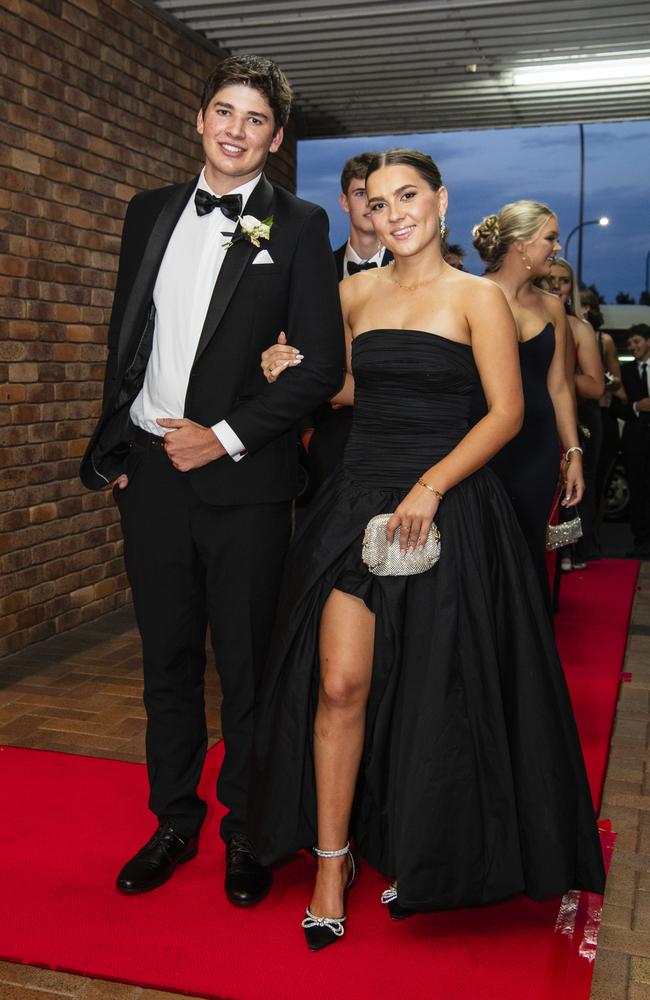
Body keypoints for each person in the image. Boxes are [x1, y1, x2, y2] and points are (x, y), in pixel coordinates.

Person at [251, 150, 604, 952]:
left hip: (448, 503)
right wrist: (289, 368)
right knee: (341, 686)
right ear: (365, 214)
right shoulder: (351, 293)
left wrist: (431, 487)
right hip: (356, 501)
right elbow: (344, 390)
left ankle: (430, 853)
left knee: (434, 697)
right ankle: (332, 866)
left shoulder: (477, 296)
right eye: (378, 201)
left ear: (440, 201)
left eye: (408, 194)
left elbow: (508, 414)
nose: (393, 211)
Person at [79, 55, 344, 906]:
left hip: (247, 484)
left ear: (275, 136)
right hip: (152, 479)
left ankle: (246, 832)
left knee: (248, 668)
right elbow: (131, 340)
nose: (236, 129)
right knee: (166, 661)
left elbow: (320, 368)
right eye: (223, 111)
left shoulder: (298, 226)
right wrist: (123, 446)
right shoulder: (148, 212)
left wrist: (224, 437)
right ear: (200, 120)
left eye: (255, 118)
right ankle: (172, 820)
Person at [472, 202, 584, 601]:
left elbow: (560, 388)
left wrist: (572, 452)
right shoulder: (472, 295)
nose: (556, 248)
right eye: (550, 238)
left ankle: (528, 650)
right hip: (482, 447)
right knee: (483, 554)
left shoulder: (553, 307)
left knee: (528, 550)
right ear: (520, 245)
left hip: (536, 449)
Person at [547, 258, 604, 569]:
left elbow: (596, 387)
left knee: (576, 485)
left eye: (564, 280)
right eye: (551, 279)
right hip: (537, 416)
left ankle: (575, 550)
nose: (557, 286)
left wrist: (557, 372)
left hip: (577, 417)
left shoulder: (580, 327)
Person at [614, 325, 650, 557]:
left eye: (636, 341)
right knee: (638, 490)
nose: (632, 347)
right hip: (635, 441)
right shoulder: (624, 372)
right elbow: (615, 408)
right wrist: (637, 407)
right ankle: (642, 541)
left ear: (648, 341)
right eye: (629, 344)